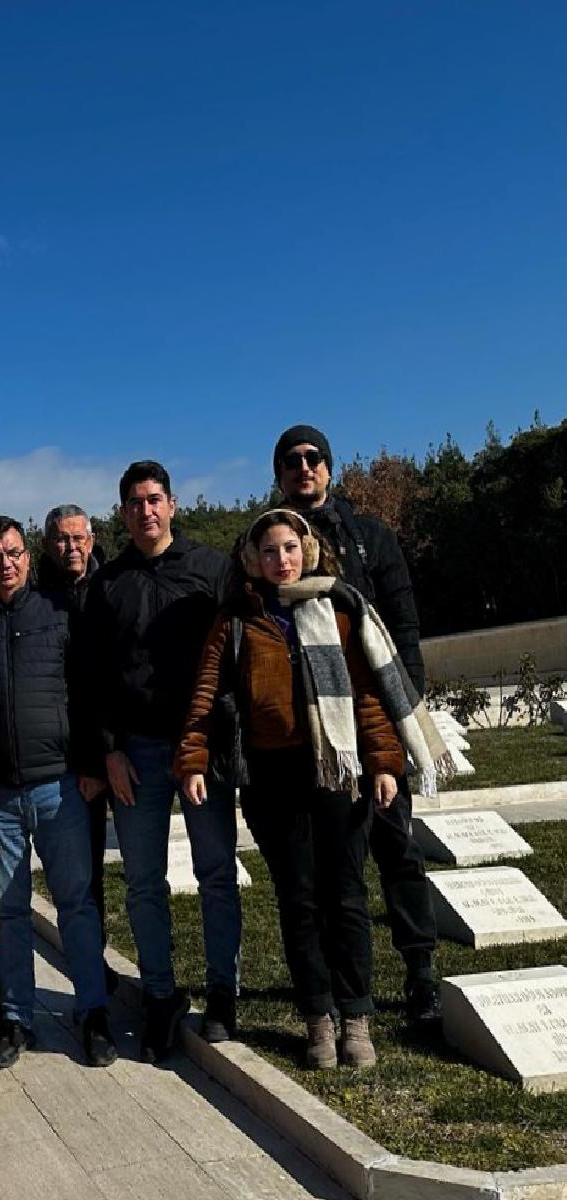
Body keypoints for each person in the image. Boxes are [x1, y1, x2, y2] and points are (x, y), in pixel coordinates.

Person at [175, 509, 428, 1069]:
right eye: (269, 552)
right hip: (273, 780)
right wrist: (192, 761)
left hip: (338, 774)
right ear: (252, 560)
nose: (281, 560)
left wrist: (385, 762)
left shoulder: (338, 610)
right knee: (299, 899)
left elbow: (366, 693)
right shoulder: (236, 619)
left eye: (290, 548)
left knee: (346, 895)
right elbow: (206, 693)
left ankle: (356, 1019)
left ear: (307, 551)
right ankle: (318, 1019)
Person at [273, 423, 442, 1023]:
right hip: (316, 738)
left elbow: (403, 623)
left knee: (396, 847)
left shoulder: (370, 537)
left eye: (313, 457)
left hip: (373, 722)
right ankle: (333, 990)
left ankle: (420, 970)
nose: (304, 467)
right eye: (292, 461)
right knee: (328, 871)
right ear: (280, 474)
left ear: (329, 466)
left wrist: (401, 714)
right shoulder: (276, 547)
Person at [80, 462, 242, 1064]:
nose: (145, 511)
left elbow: (232, 659)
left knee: (216, 873)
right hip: (137, 753)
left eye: (154, 500)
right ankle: (159, 995)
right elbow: (92, 675)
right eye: (133, 503)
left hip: (200, 746)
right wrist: (110, 750)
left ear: (172, 504)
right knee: (144, 883)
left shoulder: (212, 570)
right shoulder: (108, 584)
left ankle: (223, 993)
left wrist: (212, 740)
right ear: (121, 514)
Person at [0, 517, 116, 1070]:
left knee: (77, 904)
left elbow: (92, 690)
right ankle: (15, 1017)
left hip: (61, 786)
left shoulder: (57, 612)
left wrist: (92, 763)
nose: (6, 563)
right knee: (9, 912)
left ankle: (91, 1012)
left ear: (27, 556)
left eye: (15, 552)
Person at [38, 505, 116, 987]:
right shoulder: (39, 600)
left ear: (92, 539)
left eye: (78, 538)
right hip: (68, 755)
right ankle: (95, 964)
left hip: (117, 744)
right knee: (82, 873)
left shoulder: (111, 589)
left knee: (136, 873)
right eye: (61, 540)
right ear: (48, 546)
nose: (71, 548)